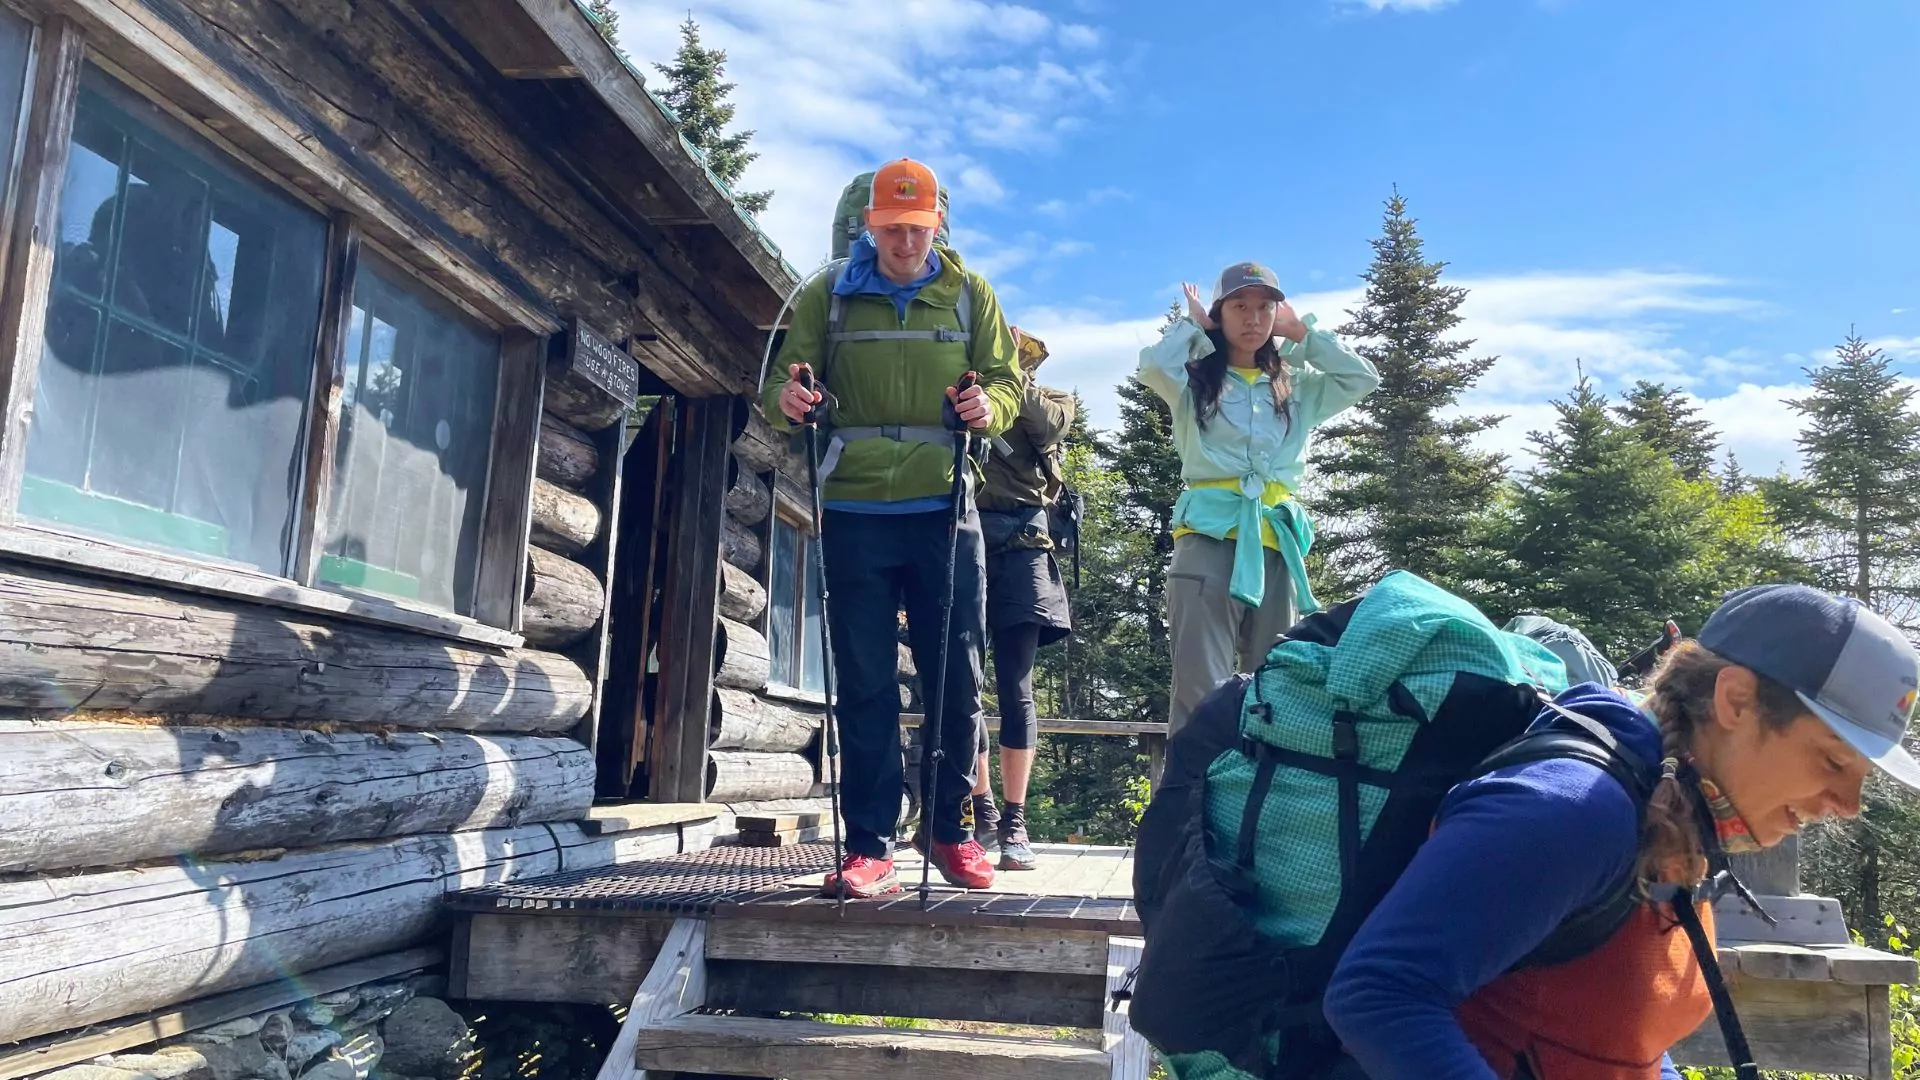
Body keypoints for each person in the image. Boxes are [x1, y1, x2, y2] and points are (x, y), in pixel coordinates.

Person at [1323, 583, 1920, 1080]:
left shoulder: (1674, 815)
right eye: (1834, 762)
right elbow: (1378, 994)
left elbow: (1611, 1038)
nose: (1847, 805)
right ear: (1736, 701)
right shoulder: (1571, 812)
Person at [764, 157, 1024, 899]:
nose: (904, 242)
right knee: (866, 680)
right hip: (853, 507)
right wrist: (790, 401)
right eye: (889, 229)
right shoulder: (828, 297)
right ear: (868, 226)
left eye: (916, 227)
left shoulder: (972, 295)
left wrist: (989, 409)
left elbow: (1006, 381)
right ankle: (869, 845)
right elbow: (775, 385)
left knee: (956, 678)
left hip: (946, 506)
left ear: (937, 223)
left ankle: (950, 833)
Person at [1134, 263, 1379, 734]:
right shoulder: (1191, 381)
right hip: (1207, 537)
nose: (1253, 318)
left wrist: (1304, 333)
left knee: (1276, 685)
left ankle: (1259, 802)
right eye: (1239, 306)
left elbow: (1361, 378)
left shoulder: (1297, 384)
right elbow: (1151, 367)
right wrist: (1193, 328)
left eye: (1265, 307)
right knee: (1201, 689)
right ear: (1219, 313)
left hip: (1276, 543)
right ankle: (1192, 805)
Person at [968, 326, 1076, 871]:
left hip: (1024, 545)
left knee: (1015, 685)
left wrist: (1007, 381)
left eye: (1019, 355)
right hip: (963, 538)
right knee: (965, 684)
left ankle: (1014, 817)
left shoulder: (1052, 399)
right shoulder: (965, 394)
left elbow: (1047, 424)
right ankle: (979, 809)